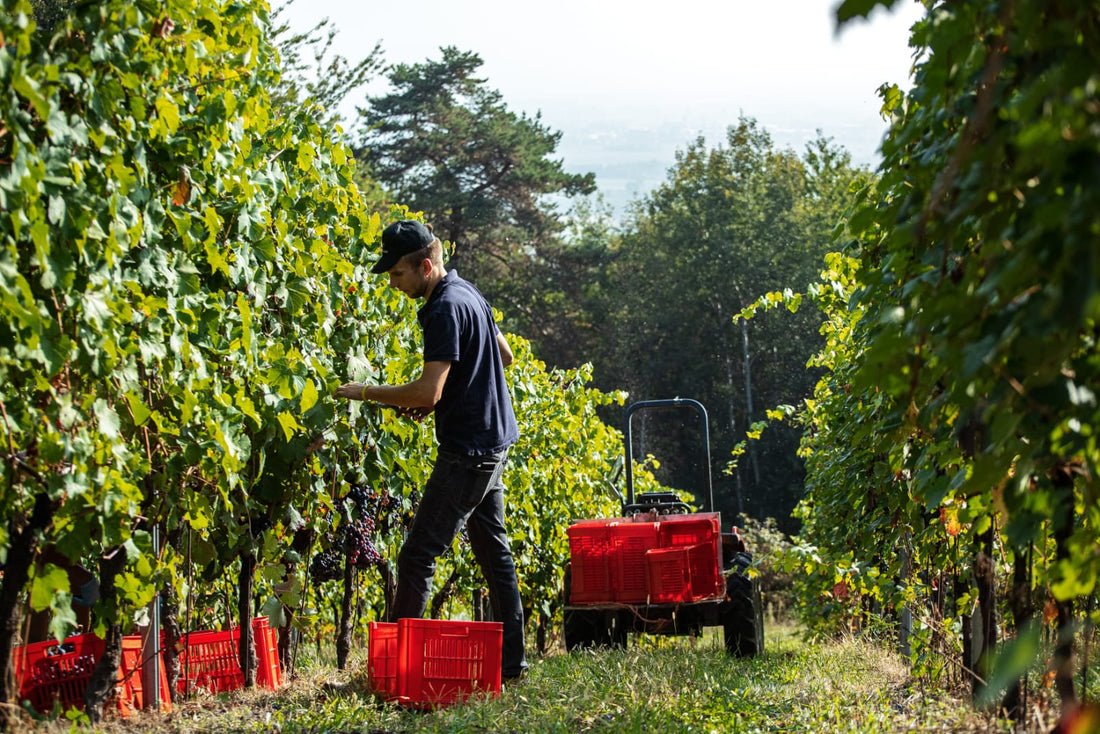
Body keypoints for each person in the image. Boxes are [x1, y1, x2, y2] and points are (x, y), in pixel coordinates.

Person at [334, 220, 527, 680]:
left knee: (418, 555)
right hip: (495, 443)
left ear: (425, 265)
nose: (394, 284)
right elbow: (504, 356)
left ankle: (400, 670)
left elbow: (426, 394)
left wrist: (365, 392)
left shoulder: (442, 308)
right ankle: (512, 663)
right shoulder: (469, 291)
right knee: (493, 551)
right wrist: (448, 392)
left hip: (468, 451)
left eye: (398, 274)